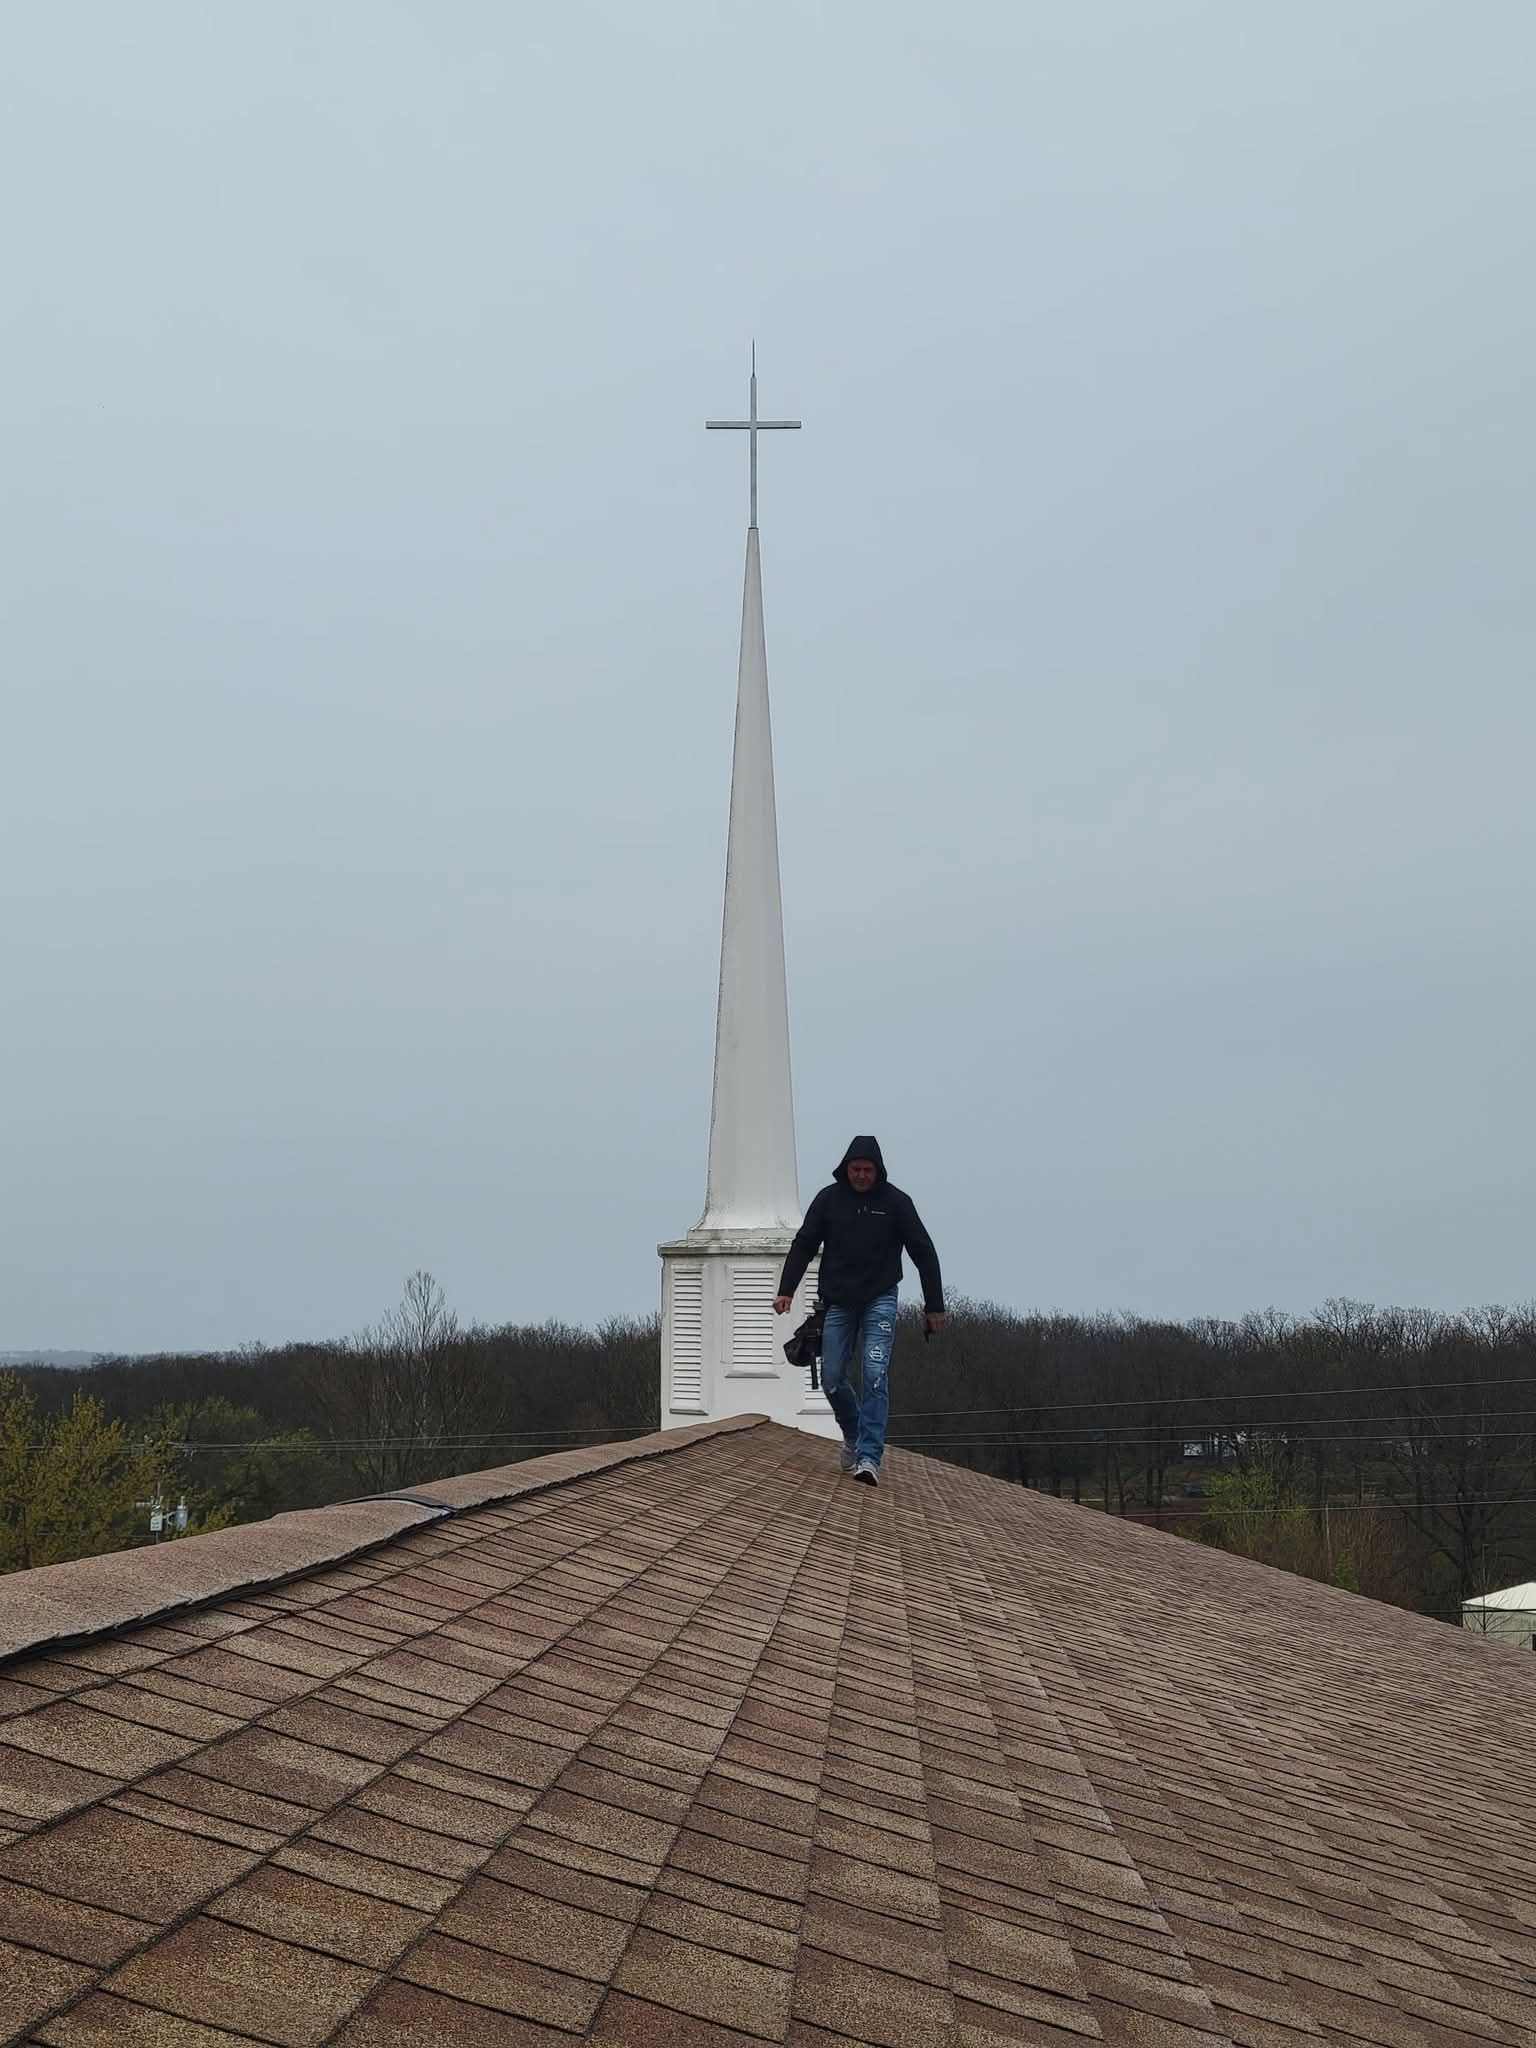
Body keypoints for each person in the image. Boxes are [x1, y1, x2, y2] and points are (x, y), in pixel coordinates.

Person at [773, 1135, 944, 1486]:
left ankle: (869, 1457)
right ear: (845, 1169)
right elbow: (804, 1243)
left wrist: (934, 1305)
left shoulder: (896, 1202)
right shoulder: (829, 1200)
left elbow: (923, 1251)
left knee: (874, 1374)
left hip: (880, 1297)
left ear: (878, 1171)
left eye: (868, 1170)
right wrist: (786, 1290)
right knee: (833, 1378)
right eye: (856, 1169)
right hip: (838, 1301)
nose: (862, 1176)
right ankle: (852, 1435)